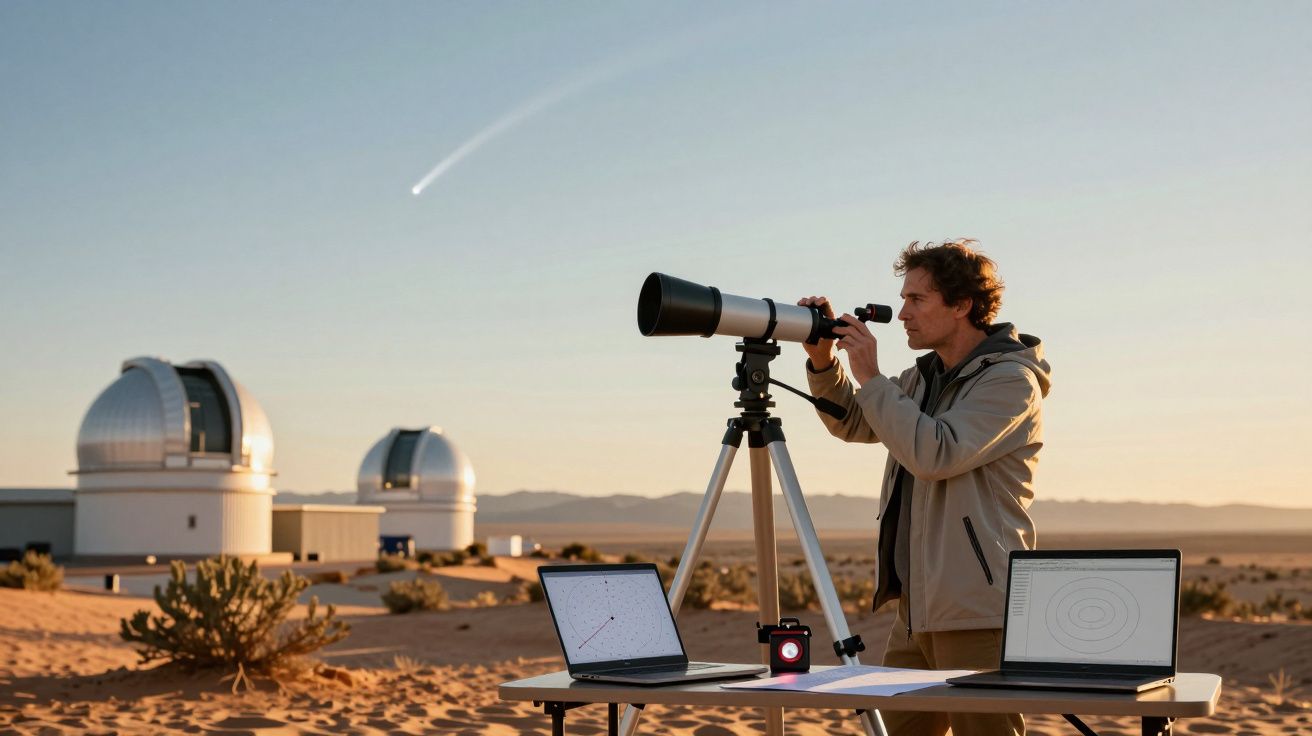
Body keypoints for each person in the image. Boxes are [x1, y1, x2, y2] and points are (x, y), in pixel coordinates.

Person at [799, 239, 1051, 736]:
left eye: (917, 299)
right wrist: (825, 364)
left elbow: (936, 451)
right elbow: (855, 420)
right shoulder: (923, 377)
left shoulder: (1010, 382)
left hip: (978, 609)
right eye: (904, 297)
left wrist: (870, 375)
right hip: (918, 609)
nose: (901, 314)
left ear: (962, 305)